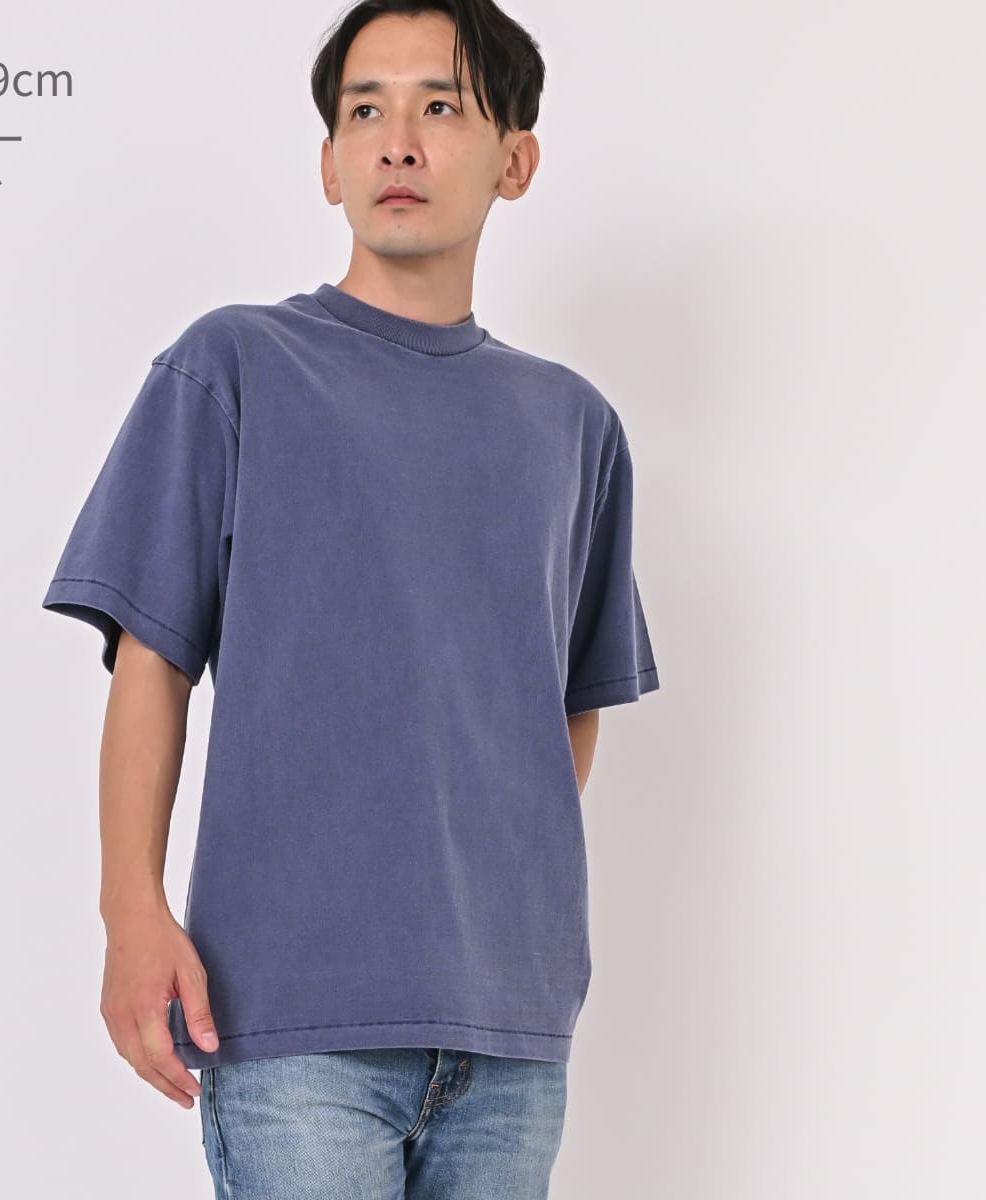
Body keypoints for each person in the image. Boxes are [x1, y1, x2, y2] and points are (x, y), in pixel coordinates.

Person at [41, 1, 660, 1195]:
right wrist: (132, 913)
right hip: (292, 1020)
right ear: (329, 163)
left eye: (442, 107)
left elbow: (566, 705)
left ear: (516, 159)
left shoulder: (573, 426)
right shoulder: (236, 366)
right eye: (364, 111)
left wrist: (473, 880)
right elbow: (152, 659)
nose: (398, 141)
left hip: (511, 1031)